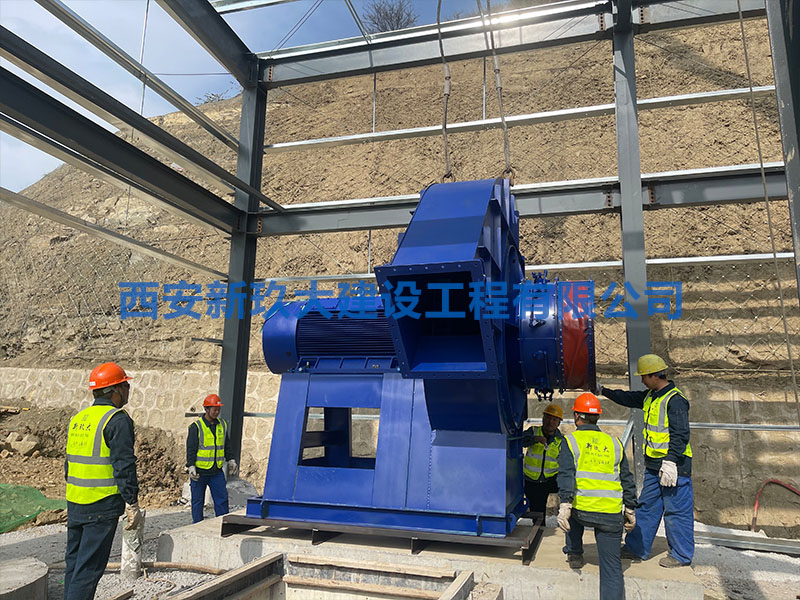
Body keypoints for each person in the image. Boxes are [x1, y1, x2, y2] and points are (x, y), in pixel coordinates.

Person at [597, 353, 694, 568]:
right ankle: (636, 548)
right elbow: (627, 398)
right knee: (647, 507)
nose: (642, 380)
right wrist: (603, 391)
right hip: (654, 466)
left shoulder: (675, 400)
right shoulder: (651, 396)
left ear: (655, 375)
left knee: (676, 512)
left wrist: (671, 461)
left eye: (644, 376)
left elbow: (680, 434)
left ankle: (681, 556)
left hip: (675, 467)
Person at [64, 362, 142, 600]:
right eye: (125, 385)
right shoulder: (116, 420)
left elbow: (68, 465)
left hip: (75, 502)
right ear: (115, 390)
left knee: (74, 566)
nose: (128, 390)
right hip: (101, 505)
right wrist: (132, 502)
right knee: (88, 570)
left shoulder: (79, 419)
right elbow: (123, 465)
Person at [557, 392, 637, 600]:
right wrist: (630, 508)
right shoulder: (615, 443)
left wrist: (564, 505)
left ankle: (574, 552)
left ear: (577, 416)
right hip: (611, 515)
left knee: (571, 513)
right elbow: (626, 478)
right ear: (597, 417)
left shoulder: (571, 441)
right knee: (612, 569)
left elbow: (566, 475)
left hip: (582, 512)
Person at [186, 393, 237, 523]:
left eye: (218, 409)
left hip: (216, 472)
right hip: (200, 472)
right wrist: (191, 466)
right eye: (214, 409)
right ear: (206, 409)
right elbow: (191, 449)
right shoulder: (196, 427)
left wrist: (231, 459)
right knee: (197, 502)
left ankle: (221, 525)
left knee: (222, 500)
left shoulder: (222, 425)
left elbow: (226, 445)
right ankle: (197, 526)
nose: (217, 412)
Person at [522, 402, 564, 516]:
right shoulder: (533, 431)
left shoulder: (561, 440)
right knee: (536, 510)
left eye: (554, 419)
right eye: (548, 417)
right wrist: (534, 439)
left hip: (550, 480)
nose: (550, 422)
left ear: (559, 423)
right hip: (531, 480)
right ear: (543, 418)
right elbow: (521, 440)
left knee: (549, 509)